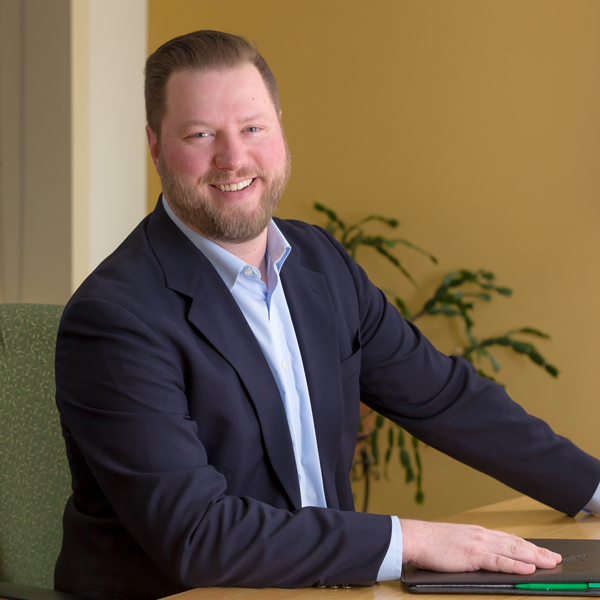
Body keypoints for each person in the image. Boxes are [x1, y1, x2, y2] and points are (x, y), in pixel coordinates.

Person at [54, 30, 600, 600]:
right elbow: (198, 536)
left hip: (322, 589)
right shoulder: (115, 318)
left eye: (253, 128)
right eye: (200, 134)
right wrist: (409, 540)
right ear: (155, 146)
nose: (233, 157)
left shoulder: (320, 262)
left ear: (281, 129)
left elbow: (443, 398)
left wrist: (594, 487)